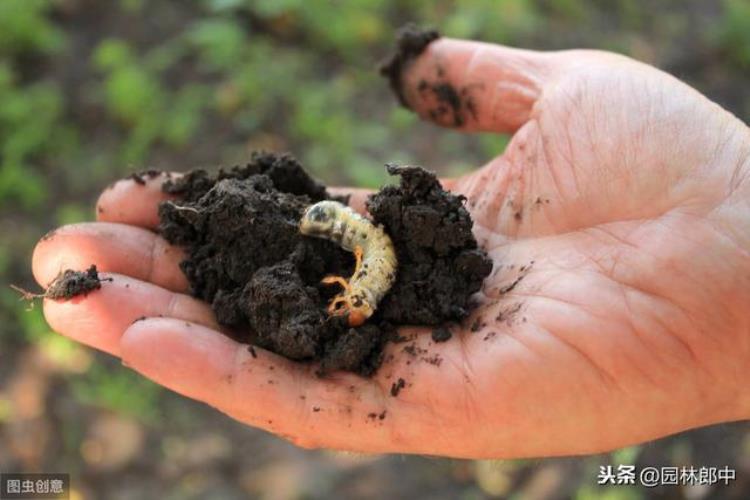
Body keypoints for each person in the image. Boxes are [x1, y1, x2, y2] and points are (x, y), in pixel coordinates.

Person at [32, 37, 750, 458]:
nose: (348, 309)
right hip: (328, 227)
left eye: (351, 304)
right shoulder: (347, 262)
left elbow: (374, 260)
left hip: (346, 240)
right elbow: (366, 253)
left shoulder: (364, 283)